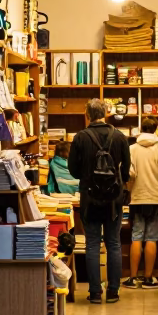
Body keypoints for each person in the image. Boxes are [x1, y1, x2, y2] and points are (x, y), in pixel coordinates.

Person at [68, 99, 131, 304]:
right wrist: (116, 182)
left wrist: (88, 177)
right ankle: (113, 291)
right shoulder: (119, 136)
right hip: (114, 198)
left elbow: (73, 170)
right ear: (106, 113)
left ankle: (95, 292)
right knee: (113, 243)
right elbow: (126, 168)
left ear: (87, 115)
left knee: (92, 244)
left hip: (89, 197)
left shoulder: (80, 137)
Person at [123, 117, 158, 289]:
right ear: (156, 129)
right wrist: (156, 182)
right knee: (151, 237)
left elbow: (130, 174)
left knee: (136, 236)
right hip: (154, 197)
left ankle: (132, 278)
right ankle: (148, 278)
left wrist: (131, 188)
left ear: (140, 129)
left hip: (136, 197)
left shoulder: (132, 149)